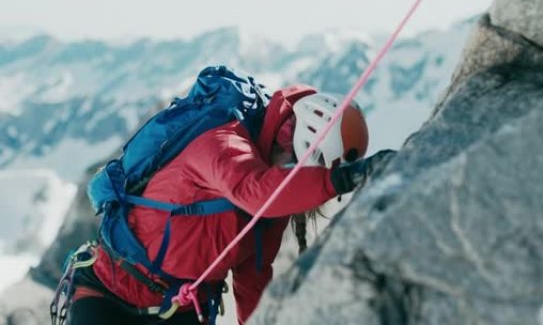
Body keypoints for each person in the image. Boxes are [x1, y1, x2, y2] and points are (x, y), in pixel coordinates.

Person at [65, 83, 396, 325]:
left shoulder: (274, 198)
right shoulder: (223, 142)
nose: (294, 172)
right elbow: (251, 190)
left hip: (180, 307)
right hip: (109, 292)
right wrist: (343, 179)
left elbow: (252, 276)